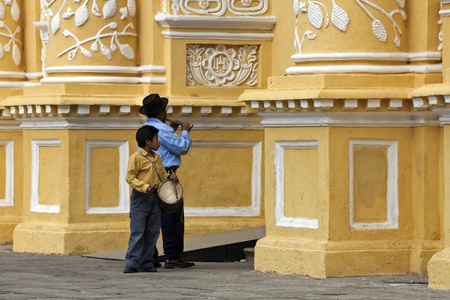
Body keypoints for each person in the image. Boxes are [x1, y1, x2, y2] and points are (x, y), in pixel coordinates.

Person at [139, 93, 195, 269]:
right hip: (167, 177)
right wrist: (185, 131)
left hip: (148, 178)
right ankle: (173, 256)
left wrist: (172, 130)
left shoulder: (146, 129)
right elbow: (181, 147)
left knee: (152, 219)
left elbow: (163, 146)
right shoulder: (163, 130)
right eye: (165, 110)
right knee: (172, 218)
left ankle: (151, 256)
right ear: (161, 113)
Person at [124, 125, 177, 273]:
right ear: (147, 141)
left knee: (152, 231)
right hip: (141, 197)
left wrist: (169, 177)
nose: (158, 142)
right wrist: (143, 186)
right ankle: (132, 262)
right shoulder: (136, 158)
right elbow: (130, 177)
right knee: (138, 231)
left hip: (155, 197)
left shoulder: (157, 158)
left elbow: (161, 175)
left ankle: (147, 262)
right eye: (156, 139)